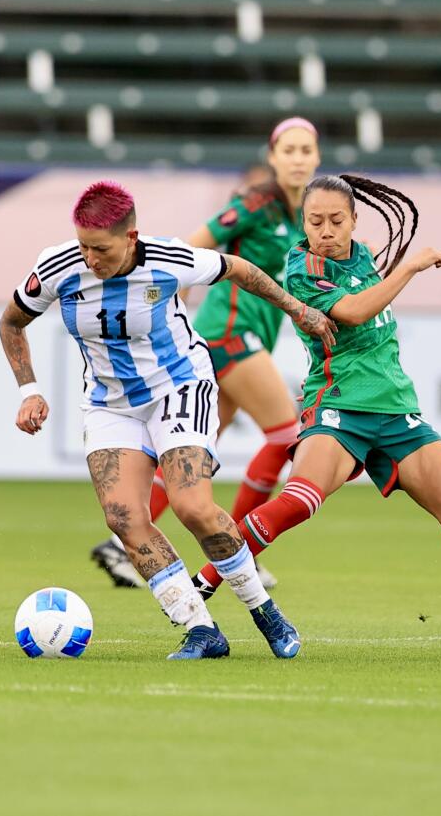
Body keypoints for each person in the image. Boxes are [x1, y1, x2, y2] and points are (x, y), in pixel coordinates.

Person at [189, 174, 441, 663]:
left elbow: (366, 293)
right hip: (338, 404)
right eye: (314, 220)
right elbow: (356, 312)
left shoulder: (361, 256)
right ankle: (203, 584)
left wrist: (390, 270)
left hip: (396, 408)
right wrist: (409, 269)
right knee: (299, 502)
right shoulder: (300, 268)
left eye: (336, 220)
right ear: (302, 223)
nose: (325, 230)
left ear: (354, 221)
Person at [0, 181, 335, 660]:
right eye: (83, 246)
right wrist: (28, 390)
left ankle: (265, 611)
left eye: (101, 249)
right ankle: (201, 629)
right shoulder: (58, 266)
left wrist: (298, 310)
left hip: (179, 386)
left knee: (193, 507)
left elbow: (238, 268)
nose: (90, 259)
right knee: (123, 518)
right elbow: (12, 321)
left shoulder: (168, 258)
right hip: (109, 402)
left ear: (131, 237)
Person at [89, 118, 321, 590]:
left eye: (306, 150)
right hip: (227, 334)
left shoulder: (304, 215)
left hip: (241, 337)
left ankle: (120, 544)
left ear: (317, 157)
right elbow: (193, 245)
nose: (298, 158)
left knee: (194, 454)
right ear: (273, 156)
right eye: (289, 150)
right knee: (284, 436)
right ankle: (242, 550)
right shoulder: (257, 201)